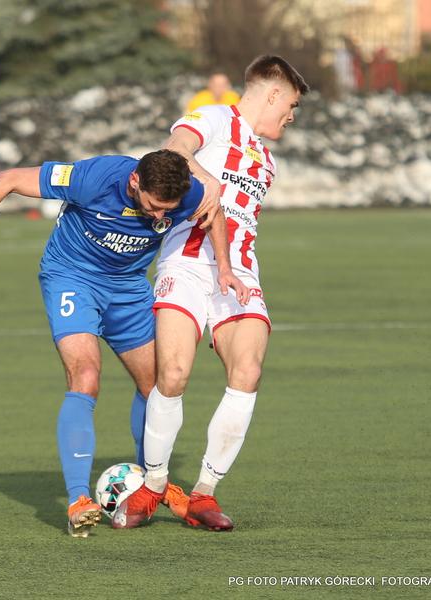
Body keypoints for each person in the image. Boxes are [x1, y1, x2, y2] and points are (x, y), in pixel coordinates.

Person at [0, 149, 248, 538]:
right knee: (86, 376)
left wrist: (224, 268)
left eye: (166, 211)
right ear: (135, 181)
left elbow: (214, 213)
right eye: (154, 206)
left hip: (129, 287)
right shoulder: (93, 178)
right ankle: (77, 500)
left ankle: (153, 486)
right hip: (71, 278)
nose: (159, 216)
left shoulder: (184, 193)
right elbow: (7, 180)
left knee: (156, 386)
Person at [113, 56, 309, 531]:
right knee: (173, 373)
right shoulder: (217, 117)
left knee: (248, 371)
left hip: (239, 273)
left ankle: (203, 493)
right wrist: (207, 180)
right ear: (273, 94)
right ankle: (153, 486)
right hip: (186, 264)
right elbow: (174, 148)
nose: (292, 116)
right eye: (292, 105)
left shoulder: (266, 160)